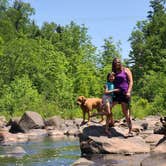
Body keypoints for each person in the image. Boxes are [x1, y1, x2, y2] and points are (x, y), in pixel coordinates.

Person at [111, 57, 133, 136]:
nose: (117, 63)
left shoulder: (126, 70)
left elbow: (131, 81)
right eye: (116, 62)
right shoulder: (113, 72)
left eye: (119, 62)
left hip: (124, 93)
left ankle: (130, 130)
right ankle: (111, 123)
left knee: (125, 112)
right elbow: (110, 81)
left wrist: (129, 92)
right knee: (108, 107)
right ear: (114, 64)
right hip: (116, 93)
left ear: (121, 63)